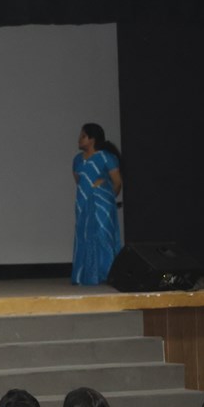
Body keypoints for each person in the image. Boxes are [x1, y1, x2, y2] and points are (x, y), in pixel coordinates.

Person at [72, 122, 123, 285]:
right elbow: (79, 181)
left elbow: (117, 183)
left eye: (83, 136)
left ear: (92, 139)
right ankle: (85, 275)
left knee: (103, 235)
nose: (79, 139)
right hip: (83, 203)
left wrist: (105, 198)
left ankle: (107, 274)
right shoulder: (77, 160)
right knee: (84, 235)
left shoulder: (107, 157)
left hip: (103, 204)